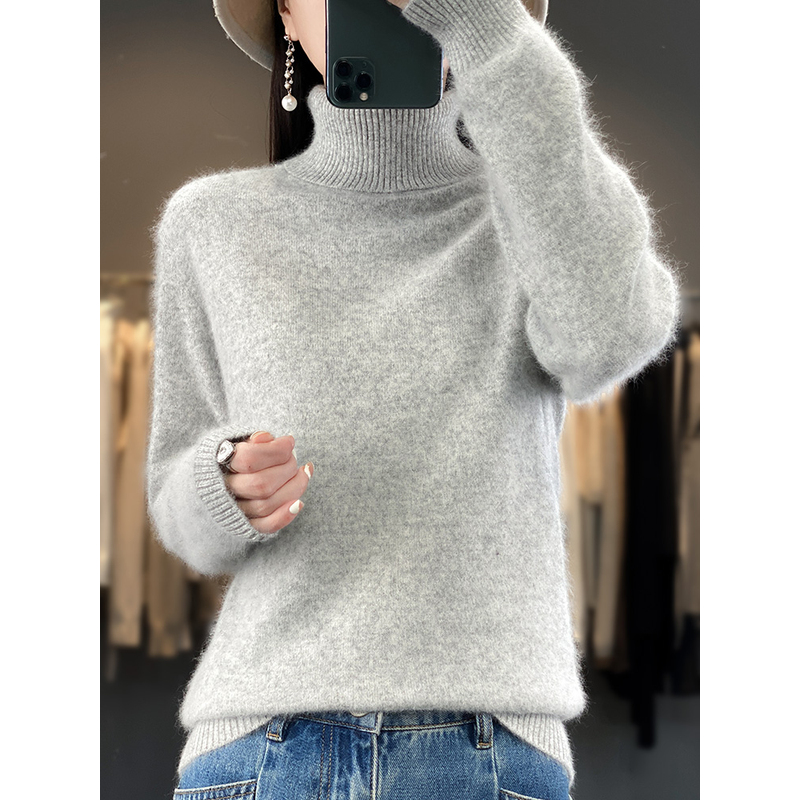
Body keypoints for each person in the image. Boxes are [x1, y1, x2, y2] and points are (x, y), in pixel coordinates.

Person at [146, 0, 680, 797]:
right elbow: (174, 500)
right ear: (286, 12)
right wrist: (222, 483)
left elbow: (611, 335)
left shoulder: (539, 220)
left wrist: (490, 34)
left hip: (492, 745)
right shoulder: (211, 223)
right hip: (262, 746)